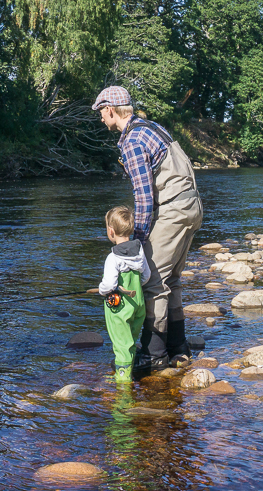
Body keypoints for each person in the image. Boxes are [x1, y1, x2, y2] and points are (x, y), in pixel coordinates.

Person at [93, 85, 203, 371]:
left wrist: (136, 241)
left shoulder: (131, 141)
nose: (100, 118)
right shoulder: (150, 126)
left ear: (111, 110)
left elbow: (143, 196)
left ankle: (153, 355)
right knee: (173, 279)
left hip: (174, 210)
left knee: (154, 282)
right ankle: (178, 347)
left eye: (100, 112)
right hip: (193, 206)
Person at [98, 205, 150, 383]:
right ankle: (127, 371)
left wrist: (101, 290)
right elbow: (146, 276)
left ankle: (123, 381)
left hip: (120, 308)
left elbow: (109, 285)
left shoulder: (113, 258)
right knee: (131, 340)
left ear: (111, 231)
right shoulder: (139, 250)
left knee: (121, 343)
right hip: (138, 304)